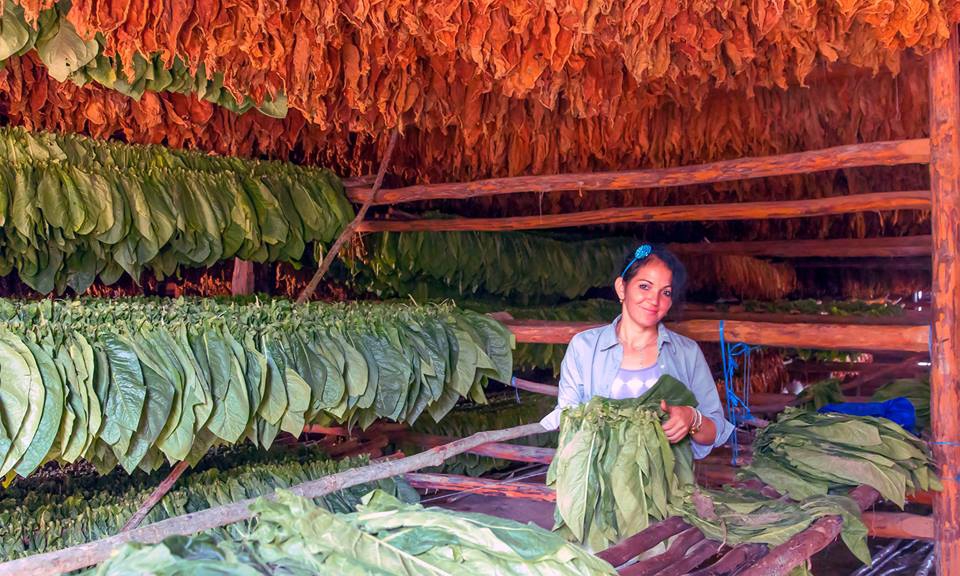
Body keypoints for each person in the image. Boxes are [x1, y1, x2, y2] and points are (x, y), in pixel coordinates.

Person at [540, 243, 733, 459]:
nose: (654, 300)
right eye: (644, 286)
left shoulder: (687, 353)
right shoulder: (584, 348)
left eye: (666, 292)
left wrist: (692, 418)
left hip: (667, 486)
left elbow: (714, 430)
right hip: (599, 485)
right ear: (622, 288)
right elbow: (568, 420)